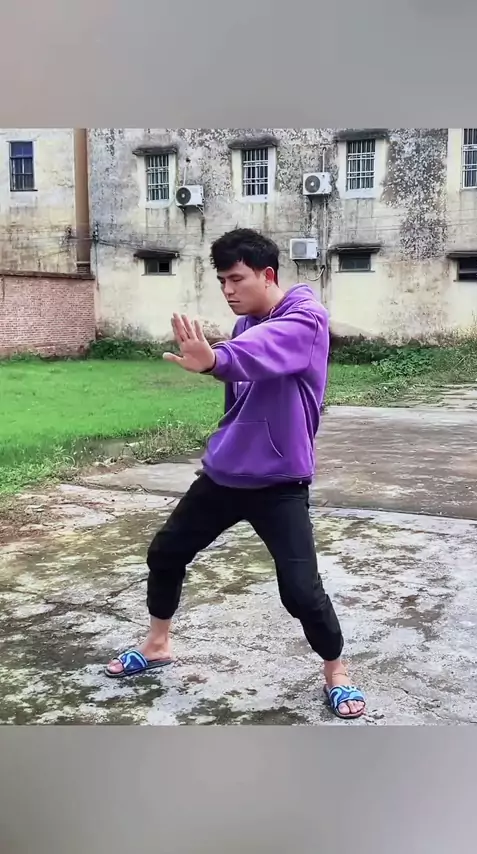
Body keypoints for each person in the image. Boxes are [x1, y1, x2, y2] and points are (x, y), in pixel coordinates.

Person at [105, 228, 366, 720]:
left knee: (300, 591)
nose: (228, 290)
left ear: (267, 275)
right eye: (222, 281)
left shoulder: (306, 318)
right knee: (166, 553)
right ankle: (157, 645)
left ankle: (336, 670)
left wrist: (216, 359)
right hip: (224, 476)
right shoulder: (247, 322)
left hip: (279, 484)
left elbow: (264, 350)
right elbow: (243, 379)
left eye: (237, 279)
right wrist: (222, 363)